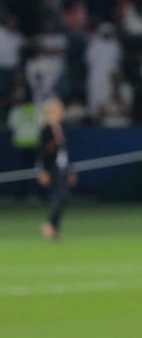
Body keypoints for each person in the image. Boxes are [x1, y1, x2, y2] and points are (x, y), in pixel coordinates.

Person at [36, 97, 77, 241]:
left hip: (62, 166)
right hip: (53, 167)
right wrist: (44, 171)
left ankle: (55, 228)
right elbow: (43, 152)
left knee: (63, 197)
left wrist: (71, 169)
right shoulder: (46, 129)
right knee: (60, 196)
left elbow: (64, 152)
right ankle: (49, 224)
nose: (61, 111)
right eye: (59, 108)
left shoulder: (58, 128)